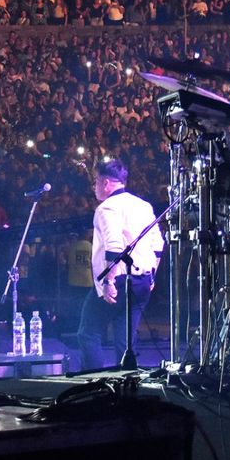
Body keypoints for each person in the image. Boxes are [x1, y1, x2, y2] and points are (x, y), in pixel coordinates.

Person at [76, 159, 164, 370]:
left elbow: (114, 246)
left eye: (95, 181)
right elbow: (158, 244)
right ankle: (126, 387)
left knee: (88, 333)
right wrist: (152, 275)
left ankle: (94, 383)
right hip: (142, 280)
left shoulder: (107, 208)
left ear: (106, 183)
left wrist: (109, 281)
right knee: (125, 340)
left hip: (120, 279)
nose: (94, 187)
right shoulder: (143, 205)